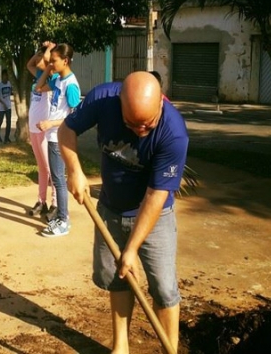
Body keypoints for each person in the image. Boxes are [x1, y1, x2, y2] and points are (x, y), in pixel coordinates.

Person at [59, 71, 189, 354]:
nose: (141, 131)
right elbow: (65, 130)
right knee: (119, 280)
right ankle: (121, 347)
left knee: (165, 289)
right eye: (132, 123)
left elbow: (156, 196)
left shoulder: (173, 132)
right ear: (120, 103)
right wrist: (75, 170)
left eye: (148, 124)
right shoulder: (102, 99)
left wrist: (131, 248)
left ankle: (170, 350)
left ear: (160, 105)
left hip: (155, 216)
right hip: (110, 208)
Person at [34, 43, 80, 237]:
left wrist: (51, 123)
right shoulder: (59, 79)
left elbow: (75, 116)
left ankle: (63, 220)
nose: (51, 64)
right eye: (50, 61)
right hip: (53, 135)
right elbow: (38, 87)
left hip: (60, 137)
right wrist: (49, 69)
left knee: (59, 180)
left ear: (65, 60)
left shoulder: (70, 84)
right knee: (57, 179)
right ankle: (61, 216)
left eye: (54, 61)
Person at [25, 42, 57, 219]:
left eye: (43, 56)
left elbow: (45, 59)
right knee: (41, 167)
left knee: (51, 168)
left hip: (45, 129)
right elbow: (29, 64)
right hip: (33, 128)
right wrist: (39, 52)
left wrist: (49, 48)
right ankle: (41, 200)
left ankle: (55, 203)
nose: (39, 58)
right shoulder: (39, 74)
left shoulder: (52, 79)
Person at [0, 69, 13, 143]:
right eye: (4, 76)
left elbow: (11, 92)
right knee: (0, 120)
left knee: (8, 122)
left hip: (8, 106)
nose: (6, 77)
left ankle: (6, 137)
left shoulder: (9, 83)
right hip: (1, 107)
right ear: (2, 76)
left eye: (7, 76)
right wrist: (3, 103)